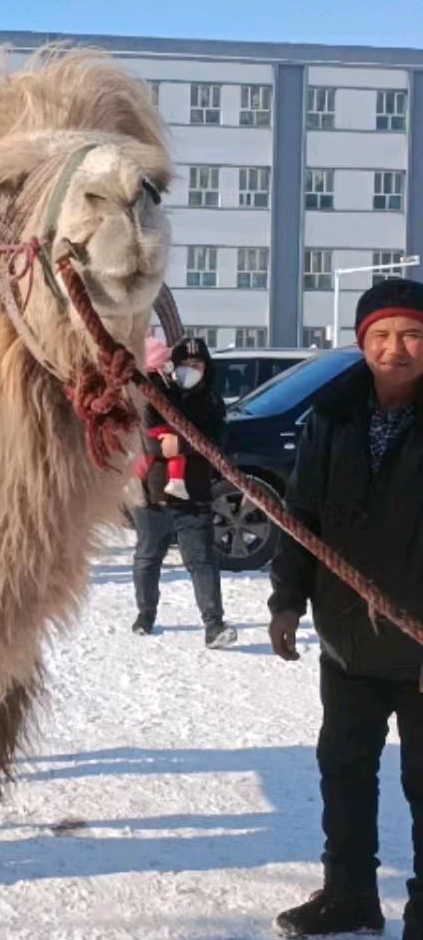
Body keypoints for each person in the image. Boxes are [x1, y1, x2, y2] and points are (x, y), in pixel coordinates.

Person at [270, 278, 423, 940]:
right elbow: (300, 516)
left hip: (421, 646)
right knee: (345, 771)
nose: (395, 349)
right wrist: (286, 601)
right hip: (348, 640)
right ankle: (350, 894)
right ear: (362, 343)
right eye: (380, 336)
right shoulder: (331, 417)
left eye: (412, 335)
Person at [130, 336, 237, 649]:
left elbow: (217, 441)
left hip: (194, 495)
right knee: (147, 557)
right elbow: (140, 434)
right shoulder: (156, 392)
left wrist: (184, 445)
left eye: (196, 364)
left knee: (202, 560)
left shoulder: (211, 403)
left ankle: (214, 624)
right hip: (153, 495)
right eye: (184, 364)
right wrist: (161, 446)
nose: (189, 369)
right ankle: (145, 613)